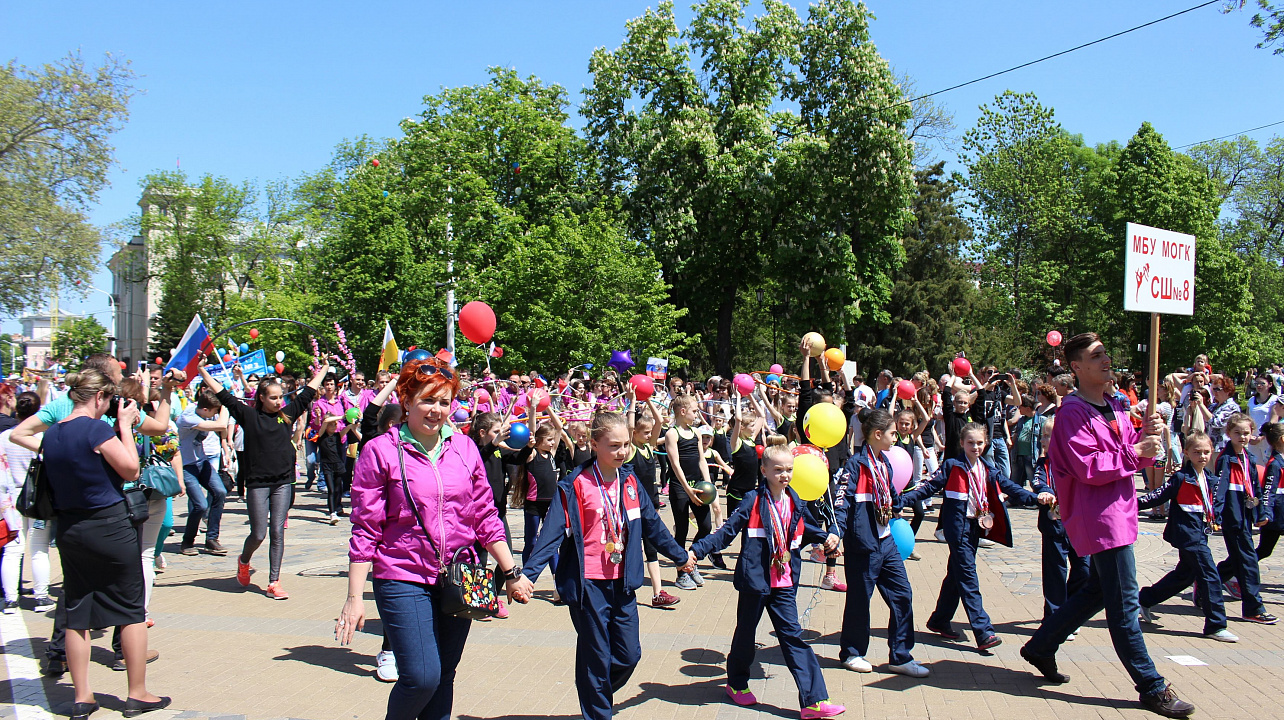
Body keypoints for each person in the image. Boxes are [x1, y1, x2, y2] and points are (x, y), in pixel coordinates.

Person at [337, 356, 532, 720]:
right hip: (402, 574)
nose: (436, 410)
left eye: (444, 402)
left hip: (460, 575)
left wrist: (511, 572)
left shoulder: (465, 448)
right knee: (422, 677)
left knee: (444, 675)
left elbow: (485, 516)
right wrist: (353, 598)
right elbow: (365, 528)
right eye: (427, 400)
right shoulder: (381, 451)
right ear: (407, 401)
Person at [1019, 332, 1194, 719]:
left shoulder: (1115, 405)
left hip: (1121, 512)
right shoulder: (1072, 413)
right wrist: (1135, 452)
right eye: (1096, 356)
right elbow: (1089, 467)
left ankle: (1041, 645)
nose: (1106, 360)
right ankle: (1150, 686)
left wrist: (1149, 434)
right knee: (1124, 606)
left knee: (1097, 591)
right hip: (1100, 519)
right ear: (1076, 367)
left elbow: (1133, 450)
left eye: (1106, 353)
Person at [521, 412, 693, 720]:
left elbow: (653, 525)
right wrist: (527, 576)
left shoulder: (629, 480)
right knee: (597, 656)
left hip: (624, 581)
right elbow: (549, 537)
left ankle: (593, 689)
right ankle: (598, 710)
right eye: (614, 446)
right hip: (589, 585)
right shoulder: (573, 485)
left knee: (628, 656)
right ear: (594, 443)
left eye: (626, 445)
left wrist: (680, 556)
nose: (623, 452)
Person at [42, 368, 169, 719]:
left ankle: (83, 696)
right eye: (110, 400)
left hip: (69, 529)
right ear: (99, 397)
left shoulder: (52, 434)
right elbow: (130, 469)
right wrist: (125, 426)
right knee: (130, 610)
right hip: (109, 525)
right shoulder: (96, 428)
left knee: (77, 613)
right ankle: (137, 693)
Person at [691, 445, 846, 717]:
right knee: (746, 634)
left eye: (789, 469)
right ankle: (736, 684)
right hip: (755, 581)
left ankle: (814, 701)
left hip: (784, 582)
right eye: (778, 470)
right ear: (764, 471)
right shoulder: (752, 500)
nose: (785, 475)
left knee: (793, 637)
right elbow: (727, 532)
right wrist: (697, 551)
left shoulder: (795, 500)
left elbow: (804, 528)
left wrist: (826, 537)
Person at [898, 422, 1042, 649]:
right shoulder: (952, 465)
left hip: (976, 526)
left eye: (979, 443)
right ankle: (983, 631)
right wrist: (903, 500)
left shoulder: (987, 468)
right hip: (958, 529)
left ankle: (939, 620)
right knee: (968, 577)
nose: (976, 447)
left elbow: (1011, 488)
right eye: (971, 443)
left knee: (956, 574)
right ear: (962, 443)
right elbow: (929, 487)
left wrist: (1036, 499)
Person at [198, 353, 328, 600]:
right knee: (259, 533)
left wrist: (324, 368)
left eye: (281, 397)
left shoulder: (287, 413)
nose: (279, 401)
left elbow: (309, 391)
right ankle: (244, 561)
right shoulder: (248, 416)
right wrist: (203, 371)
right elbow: (223, 394)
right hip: (258, 483)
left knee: (278, 531)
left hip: (283, 482)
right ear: (261, 398)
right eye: (274, 397)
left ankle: (273, 581)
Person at [832, 409, 928, 677]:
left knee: (902, 595)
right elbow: (842, 502)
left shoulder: (884, 461)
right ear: (877, 435)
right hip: (863, 545)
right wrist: (835, 532)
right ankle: (852, 652)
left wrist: (911, 498)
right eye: (892, 432)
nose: (896, 437)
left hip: (887, 542)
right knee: (860, 600)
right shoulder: (855, 465)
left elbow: (893, 495)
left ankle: (900, 655)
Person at [1136, 431, 1237, 642]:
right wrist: (1130, 505)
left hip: (1201, 533)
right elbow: (1156, 497)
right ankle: (1215, 625)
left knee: (1185, 575)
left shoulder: (1211, 479)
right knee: (1210, 576)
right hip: (1188, 536)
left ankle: (1145, 598)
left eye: (1206, 452)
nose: (1202, 456)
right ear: (1187, 453)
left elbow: (1216, 505)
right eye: (1197, 452)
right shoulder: (1181, 478)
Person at [1210, 412, 1275, 622]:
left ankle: (1206, 588)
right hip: (1232, 515)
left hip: (1245, 514)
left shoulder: (1249, 457)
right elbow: (1219, 489)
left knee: (1241, 560)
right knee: (1248, 562)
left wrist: (1261, 512)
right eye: (1237, 433)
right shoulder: (1226, 459)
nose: (1242, 437)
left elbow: (1255, 488)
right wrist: (1216, 515)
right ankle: (1253, 607)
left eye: (1246, 433)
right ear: (1229, 433)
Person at [1029, 417, 1089, 626]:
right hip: (1054, 524)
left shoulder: (1078, 460)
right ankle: (1055, 618)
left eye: (1048, 435)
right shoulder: (1044, 463)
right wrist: (1045, 492)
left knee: (1084, 569)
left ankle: (1071, 611)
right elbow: (1038, 481)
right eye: (1042, 435)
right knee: (1055, 571)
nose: (1043, 440)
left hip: (1078, 524)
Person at [0, 391, 52, 613]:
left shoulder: (5, 437)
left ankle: (11, 599)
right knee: (39, 547)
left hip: (11, 497)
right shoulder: (41, 438)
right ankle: (41, 596)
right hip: (38, 496)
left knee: (13, 548)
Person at [665, 394, 713, 590]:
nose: (697, 414)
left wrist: (709, 485)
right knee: (682, 529)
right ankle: (681, 572)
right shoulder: (672, 434)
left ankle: (691, 560)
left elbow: (702, 460)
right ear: (683, 412)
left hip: (699, 485)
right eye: (694, 411)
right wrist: (687, 489)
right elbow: (675, 464)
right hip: (680, 487)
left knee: (706, 526)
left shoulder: (696, 432)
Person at [176, 390, 229, 555]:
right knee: (200, 505)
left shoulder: (203, 411)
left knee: (220, 492)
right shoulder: (188, 417)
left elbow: (223, 430)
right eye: (214, 412)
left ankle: (212, 538)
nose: (214, 415)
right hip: (187, 465)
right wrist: (226, 406)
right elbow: (221, 425)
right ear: (205, 410)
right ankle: (187, 542)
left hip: (201, 461)